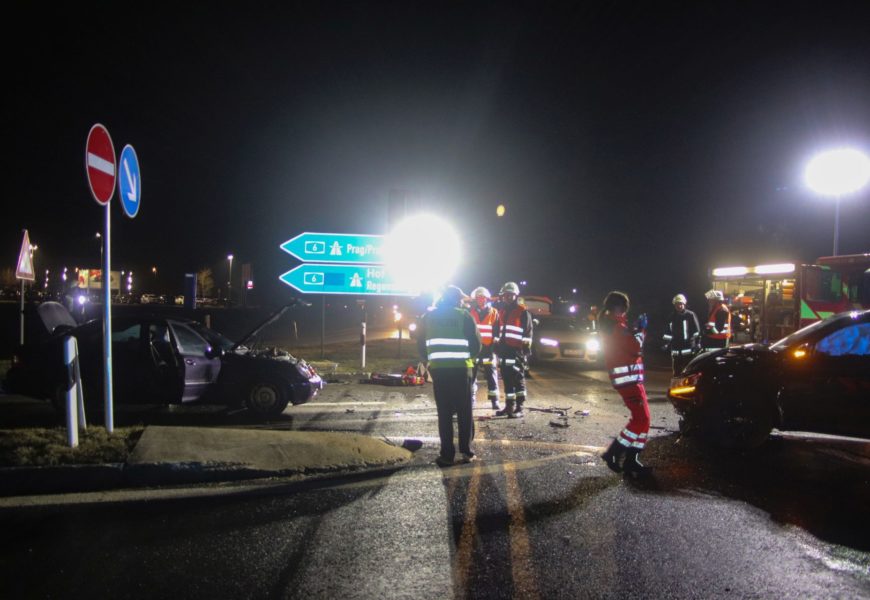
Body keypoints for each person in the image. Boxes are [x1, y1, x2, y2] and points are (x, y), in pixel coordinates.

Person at [417, 285, 481, 467]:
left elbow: (420, 344)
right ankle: (467, 452)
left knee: (444, 413)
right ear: (457, 299)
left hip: (439, 371)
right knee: (464, 412)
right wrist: (468, 358)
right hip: (461, 370)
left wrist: (429, 362)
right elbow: (476, 345)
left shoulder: (428, 317)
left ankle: (446, 455)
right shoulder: (464, 316)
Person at [598, 291, 651, 477]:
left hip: (631, 379)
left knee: (645, 420)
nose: (625, 312)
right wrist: (642, 331)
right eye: (623, 308)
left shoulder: (615, 325)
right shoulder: (617, 326)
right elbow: (635, 348)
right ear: (618, 307)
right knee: (641, 419)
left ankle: (631, 459)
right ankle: (613, 453)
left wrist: (635, 330)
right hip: (628, 380)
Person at [494, 281, 533, 418]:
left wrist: (524, 352)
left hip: (516, 351)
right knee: (506, 379)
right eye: (505, 295)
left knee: (518, 378)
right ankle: (509, 406)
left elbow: (528, 334)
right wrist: (497, 347)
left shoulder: (523, 312)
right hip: (504, 351)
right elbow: (500, 331)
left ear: (515, 295)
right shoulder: (503, 311)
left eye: (510, 295)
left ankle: (520, 407)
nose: (507, 297)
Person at [469, 286, 501, 410]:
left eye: (482, 297)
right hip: (475, 350)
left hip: (489, 349)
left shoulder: (494, 312)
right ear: (475, 299)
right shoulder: (470, 312)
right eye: (478, 298)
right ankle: (471, 399)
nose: (480, 300)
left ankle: (494, 401)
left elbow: (497, 331)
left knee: (492, 376)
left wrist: (494, 347)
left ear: (487, 298)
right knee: (471, 377)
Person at [663, 293, 701, 376]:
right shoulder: (671, 317)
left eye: (681, 304)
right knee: (676, 373)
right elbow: (667, 333)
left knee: (688, 372)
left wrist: (697, 343)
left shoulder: (690, 315)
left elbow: (696, 332)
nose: (679, 306)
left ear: (684, 304)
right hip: (676, 350)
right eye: (677, 304)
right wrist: (666, 344)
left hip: (688, 349)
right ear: (674, 305)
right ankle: (676, 386)